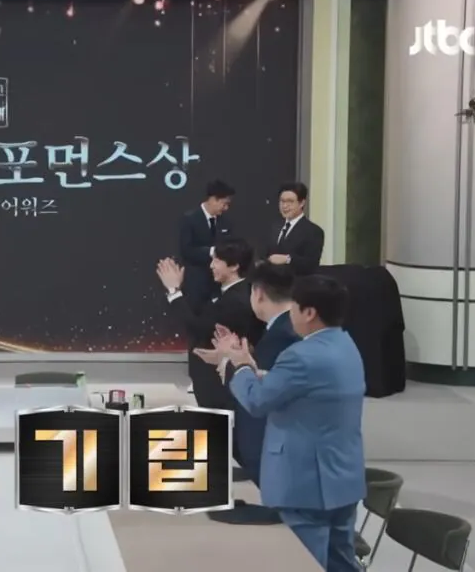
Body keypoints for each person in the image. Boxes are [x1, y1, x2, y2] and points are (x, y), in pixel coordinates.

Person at [217, 275, 366, 571]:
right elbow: (304, 388)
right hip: (343, 480)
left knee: (303, 563)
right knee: (341, 563)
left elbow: (257, 402)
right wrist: (255, 369)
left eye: (294, 307)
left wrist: (241, 366)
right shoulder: (346, 345)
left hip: (304, 485)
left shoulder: (301, 355)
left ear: (309, 312)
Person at [195, 262, 300, 525]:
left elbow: (262, 392)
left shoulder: (283, 335)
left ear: (259, 293)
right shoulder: (284, 328)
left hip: (276, 459)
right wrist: (231, 356)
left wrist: (230, 362)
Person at [156, 239, 262, 416]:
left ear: (234, 266)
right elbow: (198, 317)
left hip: (218, 388)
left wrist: (174, 291)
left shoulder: (236, 300)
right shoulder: (228, 292)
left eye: (217, 260)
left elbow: (198, 327)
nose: (211, 265)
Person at [178, 180, 237, 312]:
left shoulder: (226, 222)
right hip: (196, 284)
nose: (226, 208)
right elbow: (186, 250)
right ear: (214, 199)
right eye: (224, 204)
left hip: (218, 284)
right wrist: (212, 251)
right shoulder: (189, 219)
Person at [265, 183, 325, 275]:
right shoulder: (275, 226)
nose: (285, 206)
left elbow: (311, 264)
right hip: (271, 280)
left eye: (290, 201)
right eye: (282, 201)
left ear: (302, 203)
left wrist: (288, 259)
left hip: (296, 281)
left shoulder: (313, 231)